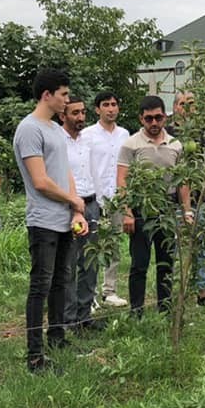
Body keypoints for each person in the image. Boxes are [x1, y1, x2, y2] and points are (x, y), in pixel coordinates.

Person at [13, 69, 89, 372]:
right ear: (47, 95)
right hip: (43, 220)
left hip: (64, 219)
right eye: (63, 95)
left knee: (62, 281)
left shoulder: (56, 129)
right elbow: (41, 181)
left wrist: (76, 209)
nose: (67, 101)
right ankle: (34, 353)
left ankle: (57, 335)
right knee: (40, 286)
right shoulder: (30, 129)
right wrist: (71, 200)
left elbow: (65, 172)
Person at [118, 95, 189, 316]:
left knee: (166, 261)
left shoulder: (176, 144)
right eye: (149, 119)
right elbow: (122, 180)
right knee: (139, 262)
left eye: (158, 117)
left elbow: (183, 180)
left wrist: (187, 210)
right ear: (141, 119)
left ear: (165, 117)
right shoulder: (131, 144)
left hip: (167, 208)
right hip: (141, 208)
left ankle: (165, 309)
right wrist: (127, 211)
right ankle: (136, 310)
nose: (154, 123)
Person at [166, 91, 205, 306]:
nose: (187, 108)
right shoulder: (168, 134)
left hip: (201, 199)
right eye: (182, 103)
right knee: (175, 248)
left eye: (191, 103)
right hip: (173, 201)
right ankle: (173, 295)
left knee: (201, 249)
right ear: (175, 107)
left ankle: (202, 293)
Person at [81, 91, 129, 308]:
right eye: (106, 105)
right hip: (95, 198)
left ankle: (109, 291)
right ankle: (88, 294)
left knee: (113, 245)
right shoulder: (87, 135)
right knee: (91, 247)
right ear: (97, 109)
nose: (111, 108)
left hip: (117, 198)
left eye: (114, 104)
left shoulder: (124, 135)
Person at [59, 95, 102, 332]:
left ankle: (85, 315)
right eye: (74, 113)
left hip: (91, 204)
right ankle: (68, 319)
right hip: (68, 207)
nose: (80, 117)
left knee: (90, 261)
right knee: (69, 265)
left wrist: (99, 204)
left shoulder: (89, 141)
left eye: (83, 112)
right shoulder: (57, 141)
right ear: (62, 115)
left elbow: (95, 172)